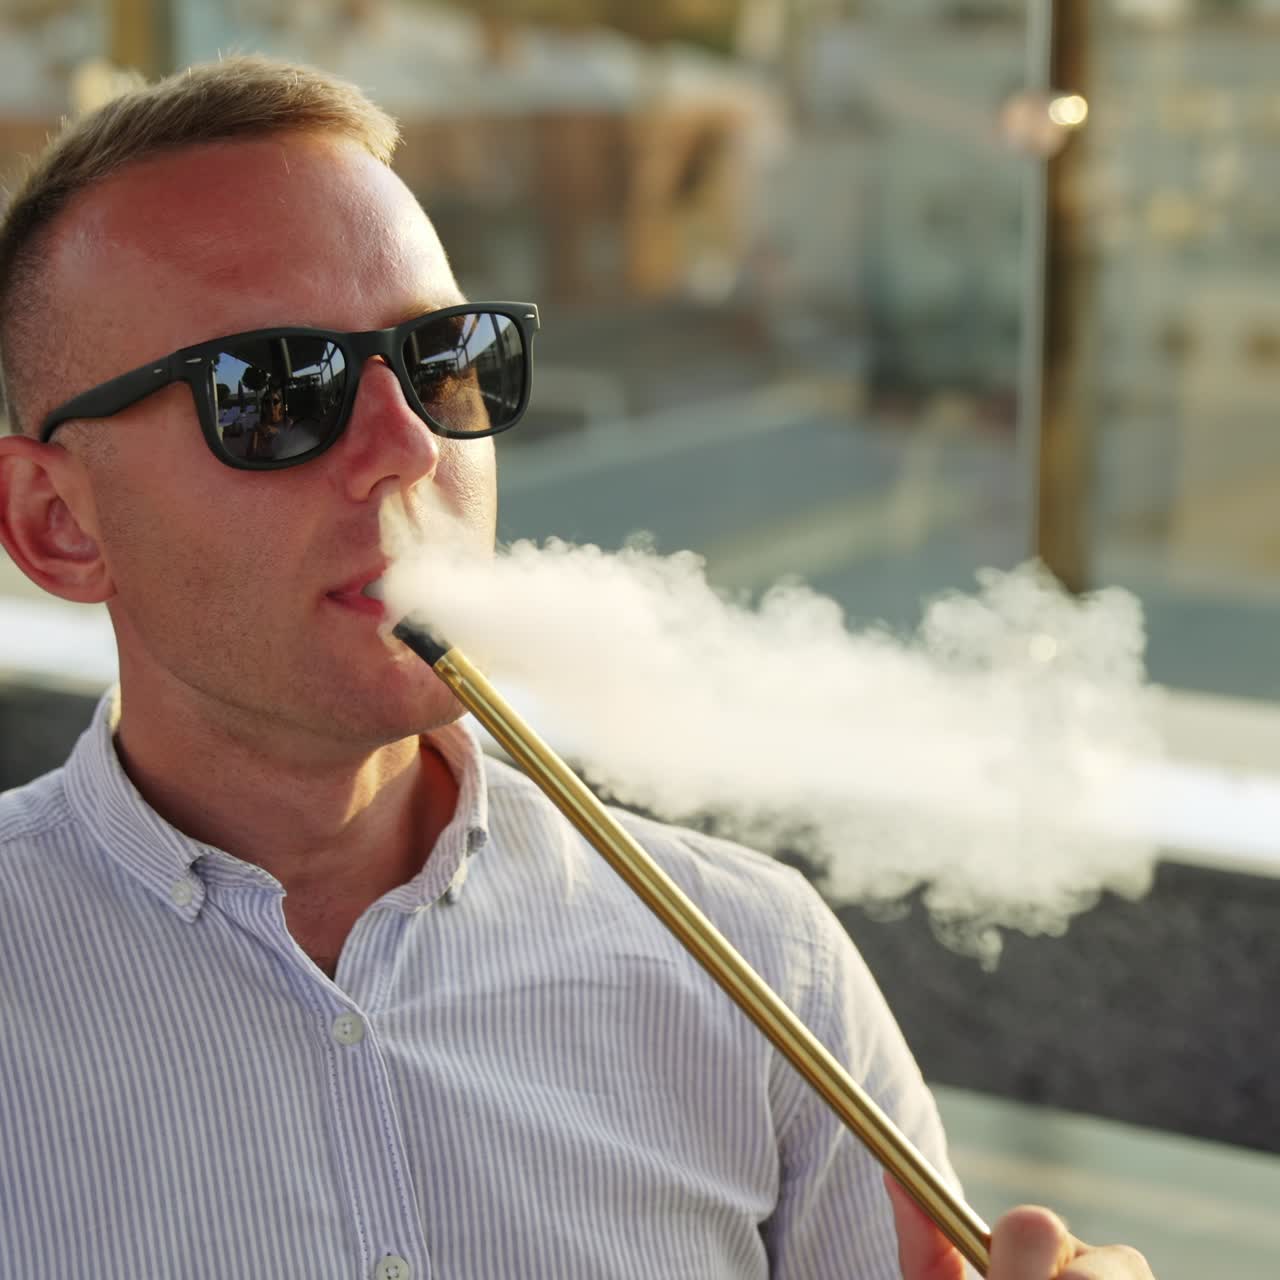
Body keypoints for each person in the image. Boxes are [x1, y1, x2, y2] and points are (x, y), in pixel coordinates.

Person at [0, 57, 1153, 1280]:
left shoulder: (758, 956)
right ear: (57, 524)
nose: (406, 448)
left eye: (446, 356)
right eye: (276, 389)